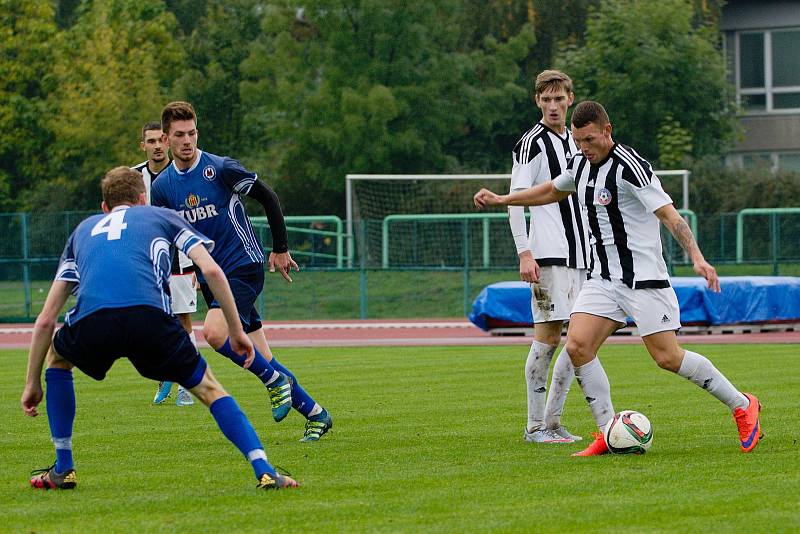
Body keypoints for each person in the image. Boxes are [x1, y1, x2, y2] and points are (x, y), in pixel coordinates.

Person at [474, 101, 762, 456]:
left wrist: (698, 258)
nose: (584, 148)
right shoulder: (580, 164)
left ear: (606, 132)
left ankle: (742, 404)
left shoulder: (631, 167)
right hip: (603, 279)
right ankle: (608, 431)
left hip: (643, 279)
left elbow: (672, 217)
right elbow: (551, 190)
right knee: (578, 346)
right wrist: (505, 197)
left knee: (667, 358)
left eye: (590, 140)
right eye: (579, 141)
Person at [21, 167, 298, 490]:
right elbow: (212, 271)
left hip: (93, 320)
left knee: (58, 357)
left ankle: (64, 468)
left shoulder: (83, 230)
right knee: (210, 389)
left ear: (104, 207)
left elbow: (45, 319)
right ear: (143, 199)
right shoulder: (160, 217)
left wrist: (32, 383)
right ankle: (264, 470)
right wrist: (237, 333)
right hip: (150, 319)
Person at [151, 101, 332, 442]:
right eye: (179, 135)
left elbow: (269, 197)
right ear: (165, 139)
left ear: (197, 133)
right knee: (262, 356)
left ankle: (275, 383)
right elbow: (166, 235)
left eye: (192, 133)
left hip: (244, 266)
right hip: (211, 278)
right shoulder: (162, 188)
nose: (187, 140)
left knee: (216, 335)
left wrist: (280, 248)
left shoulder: (220, 168)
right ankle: (316, 414)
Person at [508, 70, 588, 444]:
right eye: (546, 100)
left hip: (581, 257)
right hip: (547, 256)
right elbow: (515, 201)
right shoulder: (531, 143)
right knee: (547, 338)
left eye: (559, 99)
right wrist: (525, 252)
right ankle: (535, 425)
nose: (553, 106)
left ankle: (553, 423)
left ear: (571, 98)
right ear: (537, 101)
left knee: (580, 339)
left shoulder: (576, 143)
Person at [134, 121, 197, 406]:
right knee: (151, 321)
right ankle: (166, 375)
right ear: (143, 145)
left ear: (167, 141)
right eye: (151, 141)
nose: (157, 146)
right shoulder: (134, 178)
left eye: (160, 140)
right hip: (146, 260)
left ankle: (188, 383)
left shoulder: (183, 173)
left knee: (183, 320)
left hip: (180, 258)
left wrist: (197, 260)